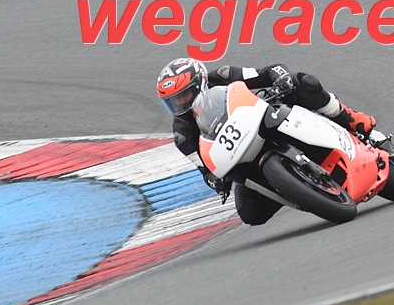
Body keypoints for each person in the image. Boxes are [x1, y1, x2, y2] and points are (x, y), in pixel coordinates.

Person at [156, 58, 376, 225]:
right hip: (242, 156)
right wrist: (216, 181)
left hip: (265, 119)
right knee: (250, 212)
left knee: (302, 82)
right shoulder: (182, 135)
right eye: (173, 101)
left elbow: (270, 71)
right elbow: (204, 169)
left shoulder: (223, 75)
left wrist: (281, 79)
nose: (180, 104)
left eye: (184, 95)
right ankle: (297, 188)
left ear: (200, 83)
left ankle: (348, 118)